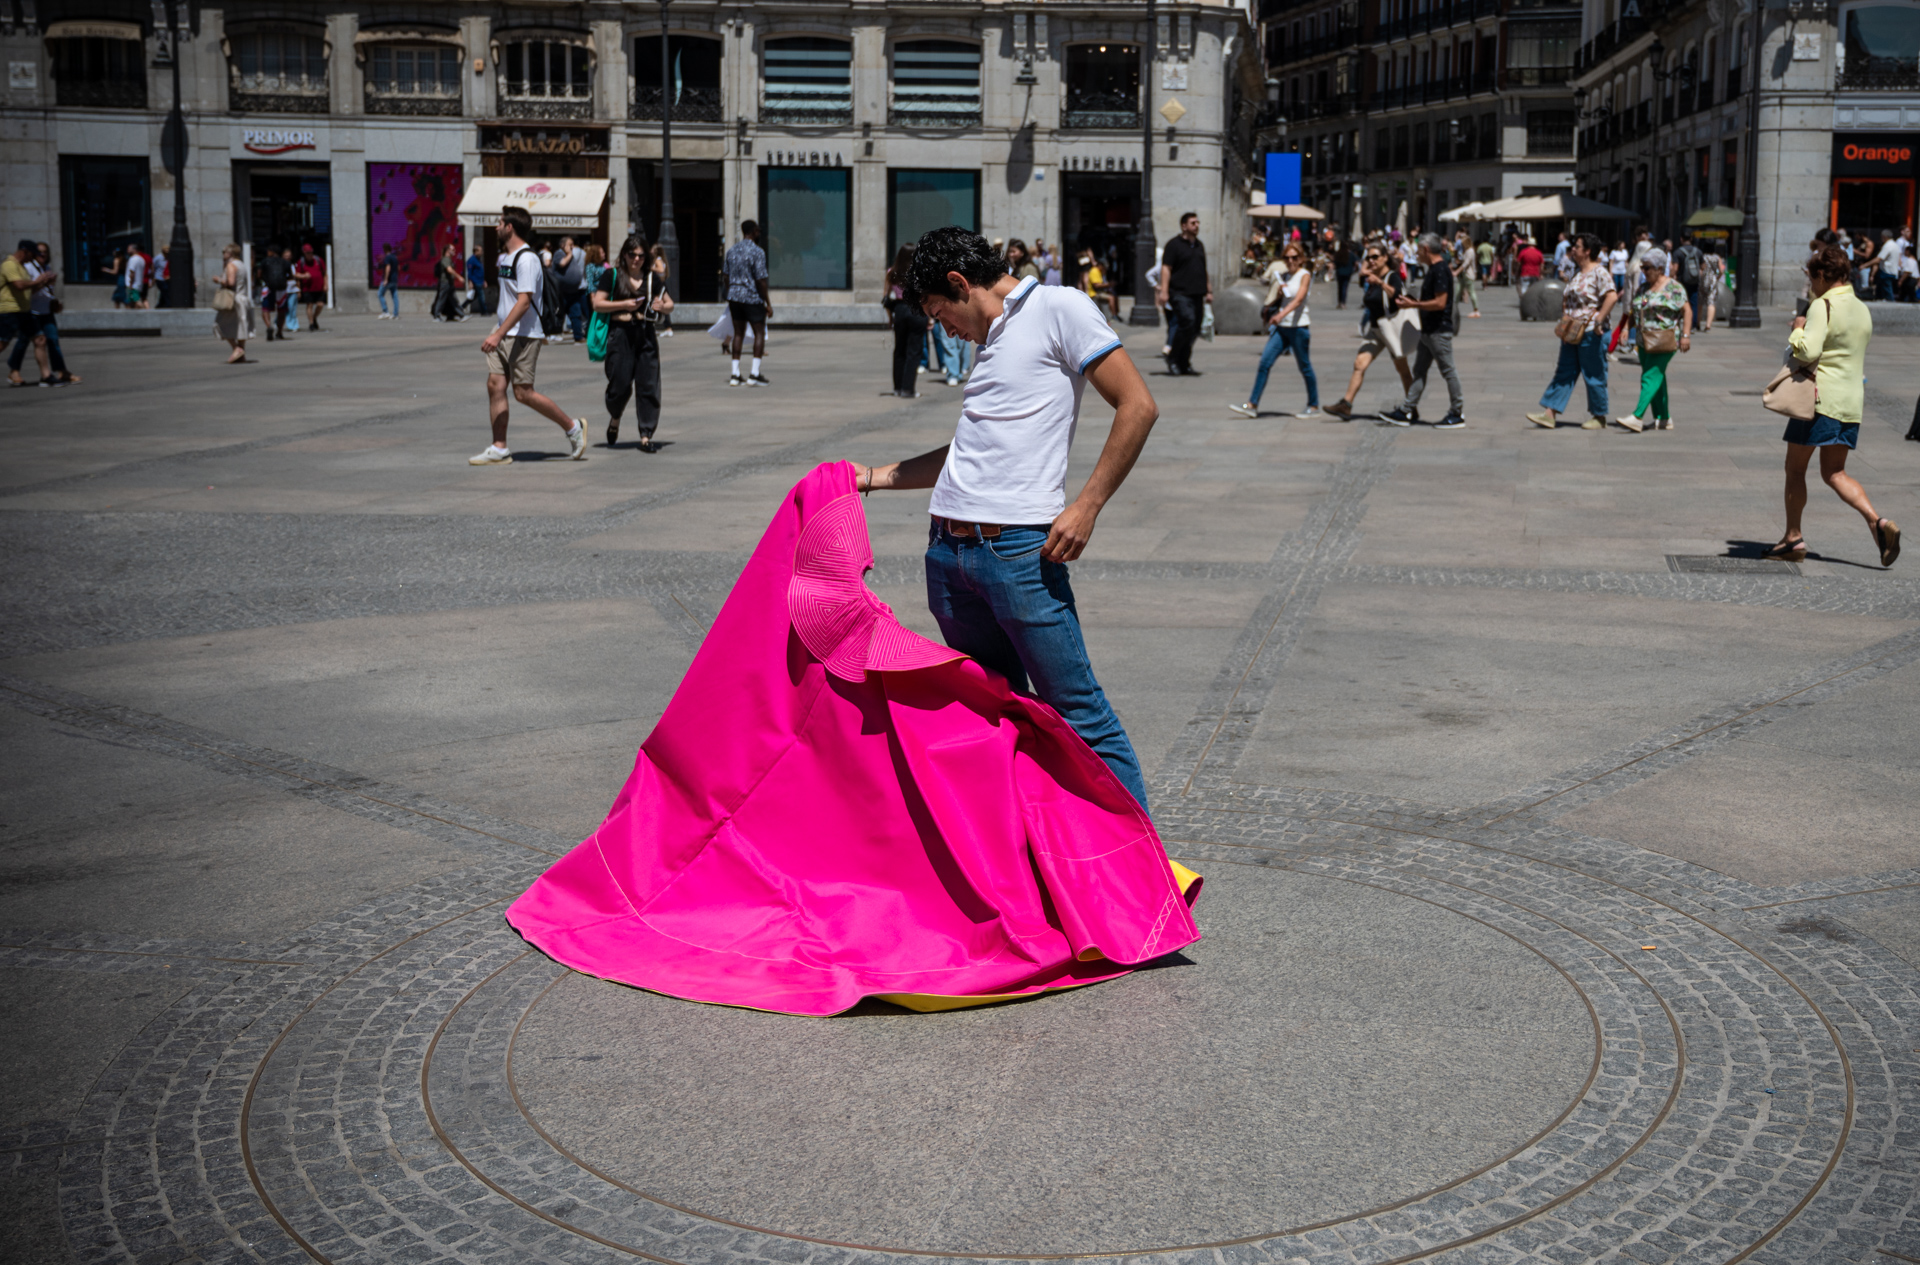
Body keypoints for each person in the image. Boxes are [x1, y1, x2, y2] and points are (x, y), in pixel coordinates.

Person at [850, 226, 1160, 810]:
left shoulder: (1059, 308)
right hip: (948, 556)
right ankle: (1029, 847)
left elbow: (1138, 405)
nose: (945, 331)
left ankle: (1139, 860)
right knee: (993, 712)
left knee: (1079, 712)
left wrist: (1087, 505)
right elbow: (970, 451)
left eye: (941, 314)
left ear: (960, 283)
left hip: (1017, 556)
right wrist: (871, 476)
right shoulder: (991, 339)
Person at [1765, 245, 1898, 567]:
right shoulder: (1861, 308)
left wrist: (1798, 329)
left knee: (1795, 469)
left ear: (1823, 275)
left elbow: (1808, 351)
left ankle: (1793, 537)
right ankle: (1877, 522)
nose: (1812, 286)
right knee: (1835, 472)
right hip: (1850, 402)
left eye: (1813, 279)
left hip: (1817, 401)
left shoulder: (1822, 305)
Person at [471, 205, 587, 466]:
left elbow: (524, 302)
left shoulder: (527, 259)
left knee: (523, 393)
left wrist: (498, 335)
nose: (496, 227)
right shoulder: (506, 257)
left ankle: (573, 427)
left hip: (523, 334)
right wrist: (499, 331)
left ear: (510, 227)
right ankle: (499, 447)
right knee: (495, 385)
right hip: (503, 330)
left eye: (500, 223)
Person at [1526, 232, 1618, 429]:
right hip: (1572, 330)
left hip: (1591, 331)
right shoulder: (1578, 272)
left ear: (1588, 251)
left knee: (1594, 374)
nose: (1573, 250)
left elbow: (1612, 297)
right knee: (1564, 371)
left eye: (1577, 246)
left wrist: (1599, 320)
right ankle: (1549, 413)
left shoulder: (1599, 272)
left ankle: (1599, 416)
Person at [593, 234, 672, 451]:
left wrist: (661, 307)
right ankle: (615, 416)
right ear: (624, 255)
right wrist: (624, 304)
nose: (636, 259)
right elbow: (598, 304)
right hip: (620, 334)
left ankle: (646, 435)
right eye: (632, 255)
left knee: (648, 385)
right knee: (619, 384)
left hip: (645, 334)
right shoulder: (612, 275)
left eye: (640, 255)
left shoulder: (651, 278)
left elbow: (670, 304)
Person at [1379, 233, 1466, 429]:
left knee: (1448, 371)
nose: (1416, 254)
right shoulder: (1434, 269)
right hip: (1428, 331)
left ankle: (1457, 412)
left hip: (1438, 331)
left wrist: (1414, 304)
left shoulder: (1440, 270)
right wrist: (1413, 302)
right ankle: (1406, 410)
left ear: (1426, 250)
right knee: (1419, 372)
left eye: (1418, 250)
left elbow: (1440, 303)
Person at [1323, 244, 1416, 420]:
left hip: (1392, 329)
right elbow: (1362, 276)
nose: (1371, 261)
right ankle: (1346, 405)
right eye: (1368, 257)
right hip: (1375, 330)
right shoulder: (1371, 276)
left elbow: (1397, 296)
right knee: (1359, 364)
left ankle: (1412, 407)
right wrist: (1367, 270)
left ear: (1385, 258)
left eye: (1375, 257)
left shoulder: (1392, 276)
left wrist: (1380, 283)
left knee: (1403, 370)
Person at [1231, 240, 1317, 418]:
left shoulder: (1305, 275)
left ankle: (1313, 405)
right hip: (1282, 328)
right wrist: (1278, 296)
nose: (1290, 261)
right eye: (1287, 258)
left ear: (1301, 259)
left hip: (1299, 327)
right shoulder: (1284, 276)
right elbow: (1283, 299)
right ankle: (1252, 404)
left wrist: (1280, 314)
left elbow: (1298, 300)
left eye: (1294, 257)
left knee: (1305, 366)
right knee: (1265, 362)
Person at [1613, 247, 1691, 433]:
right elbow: (1635, 311)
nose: (1644, 271)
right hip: (1644, 341)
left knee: (1649, 376)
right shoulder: (1644, 287)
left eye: (1647, 268)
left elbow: (1687, 310)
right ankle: (1663, 418)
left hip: (1665, 339)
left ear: (1660, 268)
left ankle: (1637, 416)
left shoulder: (1674, 287)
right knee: (1657, 378)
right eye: (1643, 267)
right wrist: (1626, 328)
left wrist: (1686, 336)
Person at [1158, 212, 1211, 376]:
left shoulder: (1199, 245)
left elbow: (1203, 269)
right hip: (1179, 292)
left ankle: (1184, 362)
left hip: (1197, 293)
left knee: (1194, 329)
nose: (1196, 226)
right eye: (1193, 223)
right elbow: (1166, 268)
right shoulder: (1174, 245)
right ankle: (1173, 358)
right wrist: (1164, 291)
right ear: (1184, 226)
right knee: (1187, 321)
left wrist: (1209, 290)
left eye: (1198, 223)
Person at [16, 243, 75, 385]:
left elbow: (47, 290)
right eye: (40, 252)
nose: (42, 254)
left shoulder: (47, 268)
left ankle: (60, 371)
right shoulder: (28, 268)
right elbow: (27, 292)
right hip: (32, 312)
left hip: (46, 311)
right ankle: (14, 371)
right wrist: (42, 282)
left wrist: (54, 300)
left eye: (45, 252)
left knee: (52, 341)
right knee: (23, 343)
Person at [3, 238, 59, 386]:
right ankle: (15, 371)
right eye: (33, 254)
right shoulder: (9, 264)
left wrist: (44, 283)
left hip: (24, 311)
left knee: (40, 339)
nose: (34, 258)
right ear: (25, 252)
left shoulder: (21, 267)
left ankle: (46, 376)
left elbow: (30, 290)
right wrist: (38, 280)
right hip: (9, 311)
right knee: (2, 343)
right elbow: (19, 285)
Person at [723, 219, 771, 387]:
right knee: (759, 333)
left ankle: (735, 374)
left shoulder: (731, 251)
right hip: (751, 297)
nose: (759, 233)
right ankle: (754, 374)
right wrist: (767, 303)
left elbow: (726, 276)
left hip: (734, 297)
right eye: (758, 231)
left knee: (738, 334)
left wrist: (731, 291)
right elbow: (761, 280)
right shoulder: (758, 252)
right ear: (753, 232)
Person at [885, 243, 928, 398]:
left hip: (899, 309)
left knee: (899, 350)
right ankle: (908, 389)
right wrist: (929, 316)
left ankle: (897, 387)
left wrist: (890, 317)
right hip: (916, 310)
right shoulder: (919, 273)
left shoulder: (892, 272)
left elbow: (885, 298)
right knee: (914, 351)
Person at [213, 243, 255, 364]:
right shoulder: (241, 264)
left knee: (219, 324)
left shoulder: (231, 265)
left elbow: (231, 283)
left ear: (230, 253)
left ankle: (237, 349)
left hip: (233, 300)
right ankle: (241, 354)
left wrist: (218, 280)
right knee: (241, 326)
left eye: (224, 252)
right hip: (242, 298)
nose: (223, 254)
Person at [548, 236, 584, 343]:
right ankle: (552, 334)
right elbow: (562, 263)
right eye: (570, 244)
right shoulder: (559, 253)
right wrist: (569, 254)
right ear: (563, 245)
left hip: (573, 291)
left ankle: (578, 336)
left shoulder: (571, 255)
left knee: (576, 313)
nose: (572, 247)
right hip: (562, 291)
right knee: (559, 313)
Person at [1672, 233, 1706, 326]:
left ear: (1681, 239)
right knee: (1694, 303)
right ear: (1691, 239)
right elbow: (1703, 266)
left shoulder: (1678, 252)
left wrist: (1671, 277)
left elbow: (1675, 268)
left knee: (1681, 301)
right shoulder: (1698, 251)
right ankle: (1693, 324)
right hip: (1694, 281)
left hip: (1682, 281)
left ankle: (1681, 322)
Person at [258, 246, 292, 340]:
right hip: (281, 289)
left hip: (268, 288)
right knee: (281, 311)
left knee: (265, 309)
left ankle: (269, 326)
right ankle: (279, 332)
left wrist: (264, 280)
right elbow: (290, 275)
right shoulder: (285, 262)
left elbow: (259, 274)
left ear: (271, 252)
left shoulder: (265, 261)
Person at [1078, 249, 1117, 320]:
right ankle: (1114, 315)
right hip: (1094, 294)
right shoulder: (1094, 271)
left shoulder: (1099, 272)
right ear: (1100, 265)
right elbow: (1096, 285)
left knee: (1113, 295)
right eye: (1104, 267)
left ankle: (1113, 315)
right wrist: (1109, 285)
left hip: (1098, 292)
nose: (1105, 269)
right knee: (1111, 298)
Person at [295, 243, 326, 331]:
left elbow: (324, 273)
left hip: (319, 287)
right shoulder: (301, 262)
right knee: (309, 305)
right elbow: (296, 275)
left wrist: (326, 284)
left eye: (311, 252)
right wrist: (303, 276)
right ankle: (311, 323)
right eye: (307, 253)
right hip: (307, 288)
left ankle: (314, 317)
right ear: (304, 253)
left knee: (320, 304)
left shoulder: (318, 260)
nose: (309, 254)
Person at [1451, 233, 1481, 319]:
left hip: (1468, 274)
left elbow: (1466, 264)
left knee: (1471, 291)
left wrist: (1456, 271)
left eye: (1463, 244)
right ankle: (1454, 307)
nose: (1462, 246)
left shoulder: (1470, 251)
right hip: (1464, 274)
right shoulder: (1467, 250)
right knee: (1458, 290)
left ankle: (1476, 310)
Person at [432, 245, 466, 321]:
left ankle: (462, 315)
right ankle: (436, 316)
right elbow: (449, 269)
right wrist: (459, 277)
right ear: (448, 250)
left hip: (449, 283)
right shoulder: (446, 259)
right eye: (452, 249)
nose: (454, 251)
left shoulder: (448, 259)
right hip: (445, 283)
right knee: (442, 299)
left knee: (454, 300)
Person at [647, 244, 674, 335]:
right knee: (660, 305)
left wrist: (651, 268)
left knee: (659, 305)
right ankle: (666, 327)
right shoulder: (661, 259)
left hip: (659, 285)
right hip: (661, 284)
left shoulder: (657, 260)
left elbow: (661, 270)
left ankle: (668, 327)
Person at [376, 242, 400, 318]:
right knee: (395, 296)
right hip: (394, 280)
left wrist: (386, 279)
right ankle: (395, 314)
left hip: (388, 280)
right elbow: (398, 268)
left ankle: (385, 311)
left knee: (380, 294)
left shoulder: (387, 257)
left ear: (385, 249)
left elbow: (388, 268)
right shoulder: (395, 257)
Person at [122, 244, 149, 310]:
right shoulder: (141, 259)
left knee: (136, 301)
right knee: (131, 303)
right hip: (139, 284)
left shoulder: (133, 259)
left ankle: (147, 313)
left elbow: (132, 272)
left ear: (134, 250)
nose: (127, 250)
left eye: (129, 249)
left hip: (133, 285)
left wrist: (130, 284)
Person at [465, 246, 487, 316]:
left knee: (473, 297)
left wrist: (483, 281)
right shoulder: (472, 260)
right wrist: (470, 282)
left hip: (480, 281)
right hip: (476, 281)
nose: (482, 252)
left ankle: (462, 307)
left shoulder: (478, 260)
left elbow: (480, 271)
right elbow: (469, 272)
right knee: (481, 296)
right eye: (480, 251)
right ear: (476, 251)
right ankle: (484, 312)